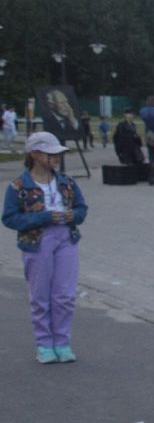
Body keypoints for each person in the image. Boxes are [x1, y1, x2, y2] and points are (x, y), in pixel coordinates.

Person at [4, 131, 88, 363]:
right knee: (40, 296)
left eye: (57, 153)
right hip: (37, 243)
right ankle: (44, 344)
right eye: (50, 153)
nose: (56, 158)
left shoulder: (67, 182)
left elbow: (82, 209)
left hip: (66, 239)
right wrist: (43, 217)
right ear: (34, 154)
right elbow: (9, 218)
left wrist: (74, 215)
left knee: (65, 295)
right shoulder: (19, 186)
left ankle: (62, 342)